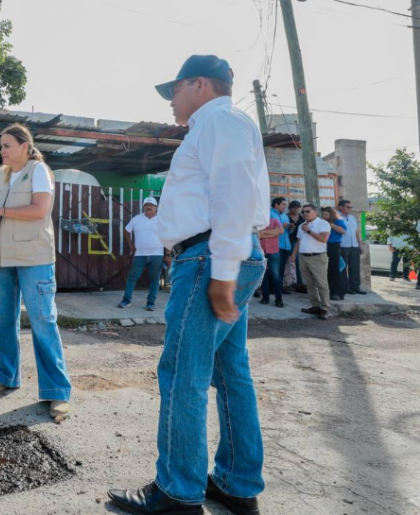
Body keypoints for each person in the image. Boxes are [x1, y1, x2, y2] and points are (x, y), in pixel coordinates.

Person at [107, 55, 268, 515]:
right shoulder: (220, 125)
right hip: (217, 253)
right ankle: (236, 484)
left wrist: (222, 270)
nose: (170, 101)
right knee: (228, 371)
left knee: (183, 374)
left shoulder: (220, 120)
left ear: (199, 84)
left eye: (173, 90)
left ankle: (178, 491)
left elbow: (234, 193)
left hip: (208, 257)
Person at [0, 123, 72, 419]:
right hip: (3, 260)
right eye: (1, 145)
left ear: (24, 147)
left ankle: (58, 392)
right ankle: (7, 377)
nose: (1, 150)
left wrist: (0, 211)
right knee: (2, 319)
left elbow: (38, 210)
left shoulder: (38, 170)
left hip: (35, 259)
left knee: (43, 321)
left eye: (7, 145)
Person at [118, 197, 170, 311]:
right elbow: (127, 231)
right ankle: (126, 300)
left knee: (154, 279)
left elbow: (168, 237)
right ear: (143, 207)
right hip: (139, 255)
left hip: (157, 255)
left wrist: (168, 254)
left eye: (151, 205)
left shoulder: (162, 220)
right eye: (146, 205)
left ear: (156, 208)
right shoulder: (137, 219)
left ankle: (150, 303)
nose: (149, 207)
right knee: (132, 277)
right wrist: (131, 246)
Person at [290, 204, 331, 320]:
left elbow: (323, 239)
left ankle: (324, 308)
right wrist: (293, 255)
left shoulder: (323, 223)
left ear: (315, 212)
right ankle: (315, 306)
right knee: (309, 284)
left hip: (317, 257)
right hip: (303, 257)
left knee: (322, 284)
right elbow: (299, 241)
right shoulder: (302, 226)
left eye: (307, 211)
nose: (304, 214)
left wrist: (308, 231)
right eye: (303, 212)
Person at [338, 199, 367, 295]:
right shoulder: (337, 217)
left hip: (354, 245)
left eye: (351, 207)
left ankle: (355, 287)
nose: (350, 209)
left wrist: (360, 245)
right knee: (342, 267)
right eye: (348, 207)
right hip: (342, 245)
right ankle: (344, 287)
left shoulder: (352, 218)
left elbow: (357, 232)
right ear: (340, 207)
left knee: (355, 267)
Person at [322, 206, 348, 300]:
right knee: (327, 269)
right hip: (324, 245)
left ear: (331, 214)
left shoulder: (338, 220)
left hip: (334, 245)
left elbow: (343, 231)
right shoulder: (320, 221)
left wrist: (330, 225)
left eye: (326, 214)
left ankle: (337, 292)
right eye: (323, 214)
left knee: (335, 269)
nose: (324, 216)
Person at [258, 214, 284, 307]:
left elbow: (281, 230)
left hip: (273, 251)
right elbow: (258, 235)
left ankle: (279, 299)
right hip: (261, 252)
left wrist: (264, 233)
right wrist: (273, 232)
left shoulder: (274, 220)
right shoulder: (256, 223)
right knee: (263, 276)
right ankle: (265, 298)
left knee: (276, 275)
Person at [271, 197, 293, 290]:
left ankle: (279, 289)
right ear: (276, 205)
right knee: (274, 270)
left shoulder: (285, 216)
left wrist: (290, 229)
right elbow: (266, 230)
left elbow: (286, 232)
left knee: (282, 269)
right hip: (275, 245)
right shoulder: (269, 214)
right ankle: (273, 289)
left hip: (286, 246)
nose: (285, 206)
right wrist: (282, 227)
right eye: (283, 204)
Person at [286, 200, 307, 293]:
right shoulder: (285, 217)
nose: (296, 209)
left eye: (298, 207)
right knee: (282, 264)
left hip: (297, 243)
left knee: (299, 263)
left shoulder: (302, 218)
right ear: (290, 208)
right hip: (286, 242)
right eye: (294, 207)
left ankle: (300, 284)